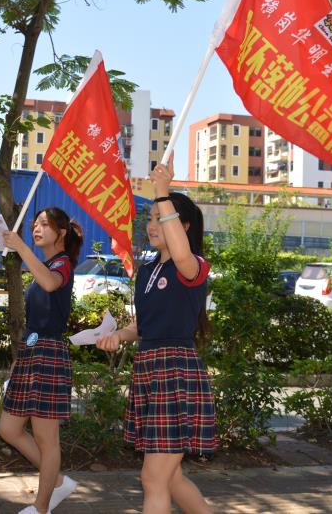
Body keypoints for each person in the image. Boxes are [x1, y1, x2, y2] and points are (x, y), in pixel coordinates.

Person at [97, 162, 215, 514]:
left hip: (175, 371)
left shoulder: (193, 265)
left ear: (183, 226)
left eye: (160, 217)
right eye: (149, 217)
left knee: (153, 478)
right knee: (170, 478)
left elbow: (181, 254)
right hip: (149, 368)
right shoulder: (148, 270)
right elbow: (142, 327)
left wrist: (162, 192)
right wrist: (118, 335)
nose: (152, 225)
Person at [0, 207, 83, 514]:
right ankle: (57, 480)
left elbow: (50, 283)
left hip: (49, 354)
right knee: (9, 429)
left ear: (61, 233)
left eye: (44, 224)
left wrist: (20, 247)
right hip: (32, 352)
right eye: (35, 224)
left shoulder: (62, 263)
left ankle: (41, 507)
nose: (37, 228)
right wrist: (18, 361)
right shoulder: (46, 264)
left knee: (48, 440)